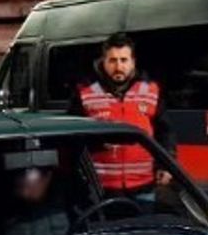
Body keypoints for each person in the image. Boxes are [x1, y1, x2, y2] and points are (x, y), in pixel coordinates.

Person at [68, 33, 175, 195]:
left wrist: (166, 166)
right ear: (103, 62)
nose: (118, 67)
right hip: (100, 189)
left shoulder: (151, 91)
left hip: (144, 187)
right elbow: (73, 136)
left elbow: (165, 133)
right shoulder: (85, 92)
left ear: (133, 62)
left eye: (124, 60)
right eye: (112, 60)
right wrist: (95, 144)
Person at [3, 166, 70, 235]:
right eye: (19, 187)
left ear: (47, 177)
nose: (24, 193)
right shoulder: (11, 217)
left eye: (27, 188)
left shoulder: (67, 204)